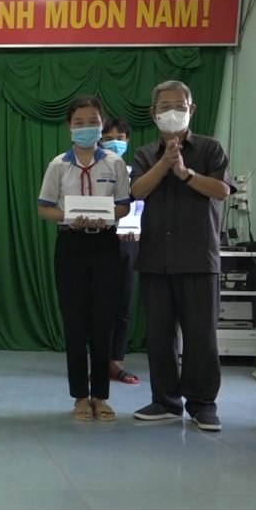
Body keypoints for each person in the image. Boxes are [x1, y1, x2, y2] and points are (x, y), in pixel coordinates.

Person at [130, 80, 233, 432]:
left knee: (201, 336)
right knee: (160, 336)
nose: (172, 112)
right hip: (155, 258)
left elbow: (221, 190)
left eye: (179, 105)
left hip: (199, 257)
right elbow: (137, 190)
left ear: (192, 109)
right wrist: (165, 164)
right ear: (153, 113)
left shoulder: (210, 149)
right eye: (164, 107)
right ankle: (165, 401)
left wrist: (186, 174)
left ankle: (203, 404)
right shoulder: (145, 154)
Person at [37, 96, 130, 422]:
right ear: (69, 127)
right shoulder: (58, 165)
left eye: (92, 122)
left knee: (103, 323)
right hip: (71, 245)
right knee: (75, 324)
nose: (86, 127)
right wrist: (68, 216)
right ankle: (79, 397)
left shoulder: (115, 164)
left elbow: (123, 206)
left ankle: (100, 397)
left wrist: (107, 217)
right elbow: (44, 208)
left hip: (105, 246)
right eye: (79, 122)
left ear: (101, 125)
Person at [100, 118, 142, 386]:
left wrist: (136, 231)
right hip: (100, 240)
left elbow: (141, 208)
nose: (114, 142)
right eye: (108, 138)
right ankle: (99, 362)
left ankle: (116, 363)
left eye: (119, 138)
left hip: (129, 241)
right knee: (99, 304)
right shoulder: (94, 171)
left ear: (127, 141)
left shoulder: (136, 173)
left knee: (123, 304)